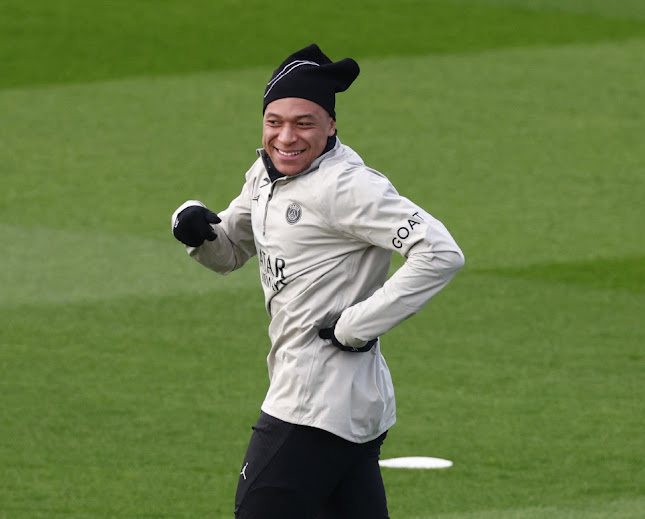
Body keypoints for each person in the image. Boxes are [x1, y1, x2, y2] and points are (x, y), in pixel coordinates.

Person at [171, 43, 464, 519]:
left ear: (330, 125)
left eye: (304, 123)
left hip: (312, 402)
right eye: (274, 121)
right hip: (349, 402)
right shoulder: (264, 175)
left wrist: (356, 325)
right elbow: (230, 251)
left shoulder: (347, 187)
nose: (286, 136)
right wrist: (193, 228)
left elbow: (440, 252)